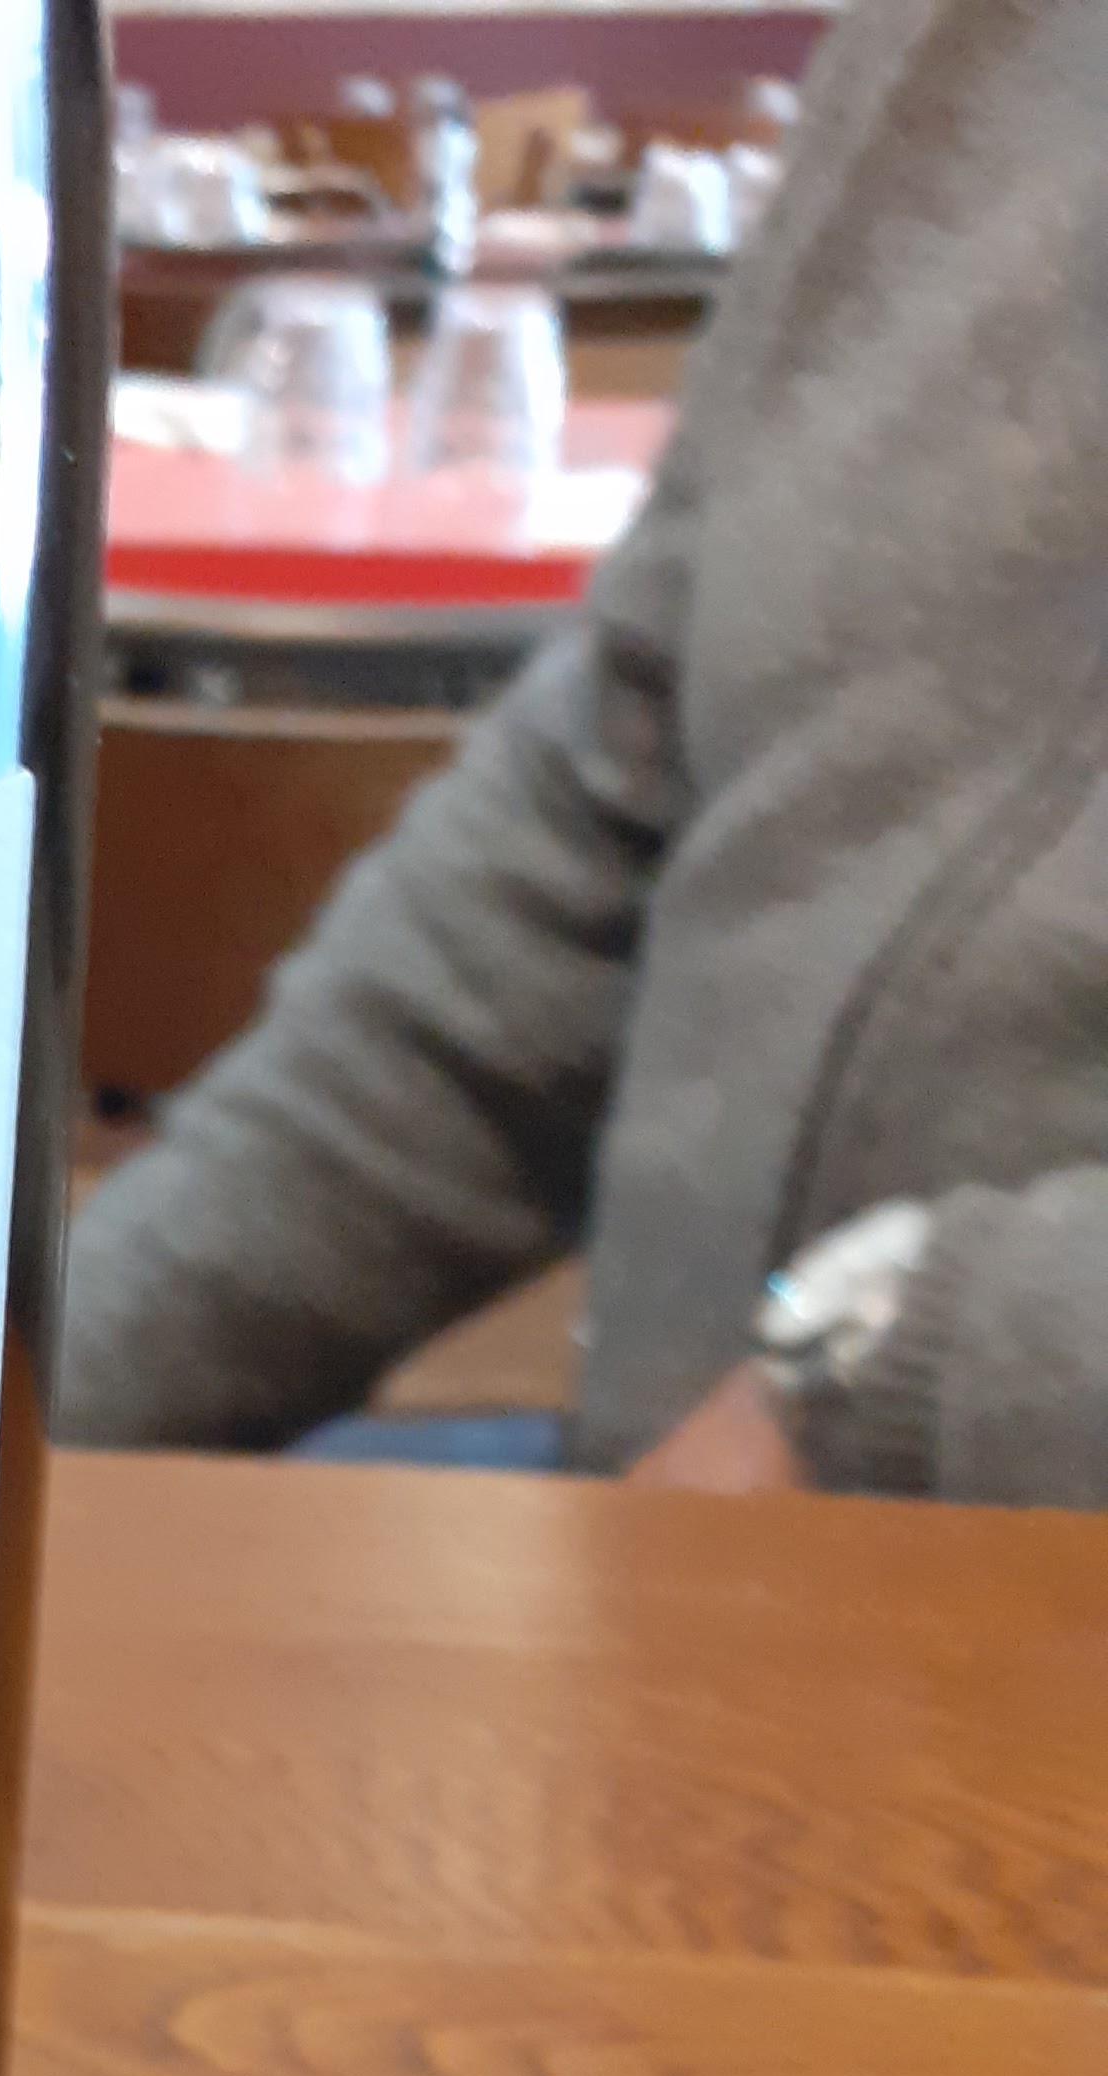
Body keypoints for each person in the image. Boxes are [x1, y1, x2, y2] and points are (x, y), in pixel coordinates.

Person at [54, 0, 1108, 1505]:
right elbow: (599, 821)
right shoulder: (958, 42)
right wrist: (34, 1391)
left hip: (958, 1555)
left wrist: (919, 1383)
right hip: (684, 1530)